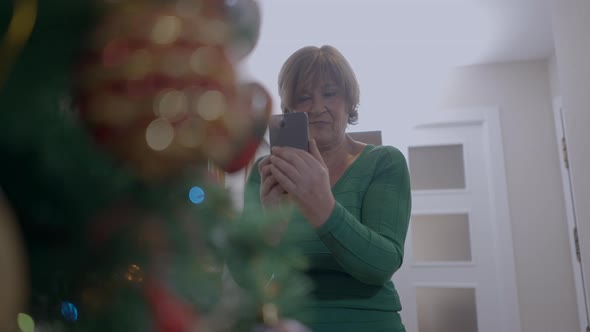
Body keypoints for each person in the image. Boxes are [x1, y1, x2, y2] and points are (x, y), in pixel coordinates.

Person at [241, 45, 411, 332]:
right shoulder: (267, 174)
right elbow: (246, 278)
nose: (317, 107)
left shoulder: (384, 161)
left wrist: (321, 204)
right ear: (290, 110)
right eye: (304, 97)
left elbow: (381, 264)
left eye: (330, 94)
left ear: (350, 101)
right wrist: (271, 226)